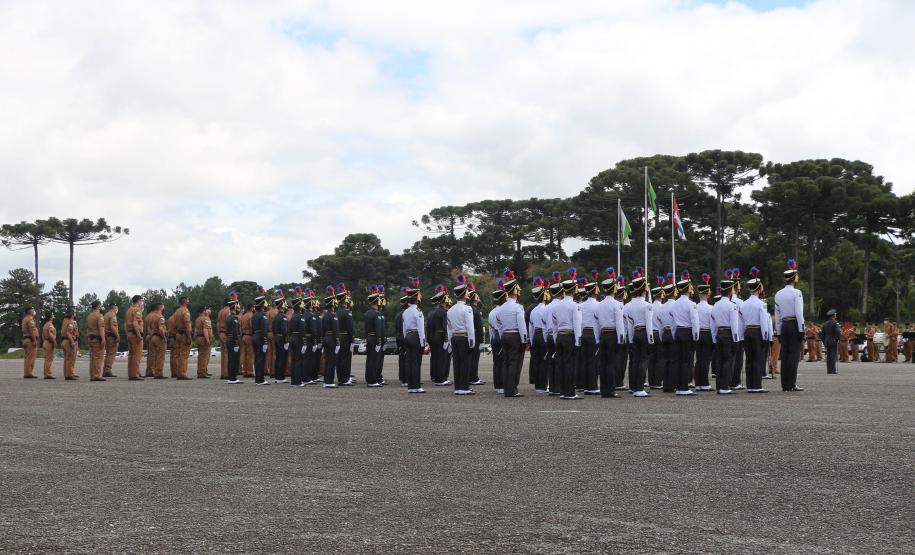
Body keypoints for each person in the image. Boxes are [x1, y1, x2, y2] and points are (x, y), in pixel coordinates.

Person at [551, 268, 583, 400]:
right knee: (570, 365)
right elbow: (577, 325)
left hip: (559, 336)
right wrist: (577, 342)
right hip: (570, 336)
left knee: (561, 365)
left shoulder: (556, 306)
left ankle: (563, 391)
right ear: (574, 290)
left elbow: (554, 325)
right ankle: (570, 392)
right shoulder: (575, 306)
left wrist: (555, 339)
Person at [774, 259, 805, 392]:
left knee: (785, 355)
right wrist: (801, 330)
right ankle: (792, 384)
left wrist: (779, 331)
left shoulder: (778, 294)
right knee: (794, 356)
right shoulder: (797, 293)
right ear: (794, 278)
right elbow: (799, 313)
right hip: (794, 324)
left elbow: (778, 315)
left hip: (784, 326)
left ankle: (784, 385)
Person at [622, 269, 653, 397]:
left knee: (634, 361)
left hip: (634, 333)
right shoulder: (647, 305)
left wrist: (629, 339)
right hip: (645, 333)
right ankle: (640, 388)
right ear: (644, 289)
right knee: (643, 361)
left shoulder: (627, 306)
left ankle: (634, 387)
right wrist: (651, 340)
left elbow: (629, 325)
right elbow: (649, 325)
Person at [741, 267, 771, 393]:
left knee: (749, 359)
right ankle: (757, 385)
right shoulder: (761, 304)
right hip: (758, 332)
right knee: (758, 359)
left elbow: (741, 322)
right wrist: (766, 337)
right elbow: (764, 322)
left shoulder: (743, 304)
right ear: (759, 289)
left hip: (747, 331)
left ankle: (750, 385)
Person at [596, 267, 625, 398]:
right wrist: (621, 340)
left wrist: (597, 339)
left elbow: (596, 324)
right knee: (611, 363)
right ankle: (611, 389)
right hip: (613, 334)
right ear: (614, 288)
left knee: (603, 363)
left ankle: (603, 390)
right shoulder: (617, 305)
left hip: (603, 335)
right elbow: (619, 324)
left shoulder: (599, 305)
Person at [498, 270, 527, 398]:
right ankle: (512, 389)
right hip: (515, 336)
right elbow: (522, 325)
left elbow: (498, 323)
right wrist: (524, 340)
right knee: (515, 363)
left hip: (504, 335)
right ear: (515, 291)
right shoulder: (518, 307)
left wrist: (502, 334)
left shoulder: (502, 307)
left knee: (506, 362)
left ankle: (506, 389)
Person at [670, 270, 699, 396]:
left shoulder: (674, 304)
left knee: (678, 360)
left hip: (677, 332)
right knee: (686, 361)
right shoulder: (692, 304)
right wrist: (695, 337)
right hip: (687, 333)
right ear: (688, 289)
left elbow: (672, 323)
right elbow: (695, 322)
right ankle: (684, 387)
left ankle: (678, 386)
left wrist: (673, 334)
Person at [446, 274, 476, 395]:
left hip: (454, 337)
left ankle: (458, 387)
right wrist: (472, 341)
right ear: (464, 294)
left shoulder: (450, 309)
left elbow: (448, 328)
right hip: (464, 337)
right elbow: (470, 326)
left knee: (457, 363)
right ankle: (464, 387)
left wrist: (449, 341)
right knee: (465, 363)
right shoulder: (467, 309)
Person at [711, 277, 739, 394]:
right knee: (728, 360)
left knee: (719, 360)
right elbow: (734, 324)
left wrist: (714, 338)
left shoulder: (715, 305)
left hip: (719, 334)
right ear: (730, 291)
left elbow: (713, 324)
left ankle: (719, 386)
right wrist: (736, 340)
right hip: (728, 334)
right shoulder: (732, 305)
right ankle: (725, 386)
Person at [401, 277, 426, 393]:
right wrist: (423, 342)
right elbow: (421, 328)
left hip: (408, 336)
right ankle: (416, 386)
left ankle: (410, 386)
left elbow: (404, 328)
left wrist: (406, 338)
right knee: (416, 362)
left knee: (409, 362)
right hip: (416, 336)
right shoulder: (418, 311)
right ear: (417, 299)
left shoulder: (405, 312)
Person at [578, 272, 601, 395]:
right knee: (592, 361)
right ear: (595, 291)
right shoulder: (598, 305)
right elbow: (599, 323)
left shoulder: (581, 306)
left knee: (585, 360)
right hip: (593, 334)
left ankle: (584, 385)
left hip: (583, 333)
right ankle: (592, 386)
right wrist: (598, 338)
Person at [527, 276, 550, 393]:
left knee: (537, 360)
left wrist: (531, 341)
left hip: (535, 335)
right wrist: (547, 340)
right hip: (542, 335)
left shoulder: (533, 310)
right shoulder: (546, 309)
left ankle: (538, 386)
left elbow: (530, 327)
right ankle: (544, 385)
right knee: (544, 361)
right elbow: (547, 326)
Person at [693, 274, 714, 391]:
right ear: (707, 294)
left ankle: (698, 383)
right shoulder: (710, 308)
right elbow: (712, 324)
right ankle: (705, 383)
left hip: (697, 334)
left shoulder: (695, 306)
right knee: (705, 360)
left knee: (699, 359)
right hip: (707, 334)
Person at [426, 285, 451, 386]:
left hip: (433, 337)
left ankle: (436, 376)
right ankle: (441, 379)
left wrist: (429, 338)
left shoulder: (432, 313)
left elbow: (428, 326)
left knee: (435, 357)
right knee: (442, 358)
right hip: (441, 336)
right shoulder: (445, 312)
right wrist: (446, 339)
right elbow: (446, 327)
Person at [648, 278, 667, 390]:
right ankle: (658, 381)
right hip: (659, 334)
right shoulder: (662, 307)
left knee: (652, 359)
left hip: (651, 333)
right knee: (660, 359)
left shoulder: (650, 306)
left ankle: (651, 381)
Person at [364, 286, 386, 387]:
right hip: (375, 339)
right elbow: (378, 329)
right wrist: (379, 342)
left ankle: (370, 378)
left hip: (369, 337)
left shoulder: (368, 313)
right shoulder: (376, 314)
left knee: (370, 360)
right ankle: (372, 381)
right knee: (374, 360)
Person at [321, 287, 342, 388]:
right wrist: (338, 342)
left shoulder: (325, 316)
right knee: (331, 361)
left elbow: (322, 329)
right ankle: (329, 382)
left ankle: (326, 381)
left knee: (327, 361)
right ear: (332, 304)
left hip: (325, 338)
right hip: (332, 339)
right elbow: (336, 330)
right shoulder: (334, 315)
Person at [489, 286, 507, 394]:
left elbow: (491, 330)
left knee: (496, 362)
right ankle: (502, 385)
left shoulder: (492, 312)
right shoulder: (503, 310)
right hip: (501, 336)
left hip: (494, 337)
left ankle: (497, 385)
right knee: (503, 361)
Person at [217, 293, 237, 380]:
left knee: (223, 354)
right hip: (226, 333)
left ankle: (223, 373)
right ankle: (226, 373)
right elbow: (230, 323)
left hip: (221, 333)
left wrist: (219, 333)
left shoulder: (220, 311)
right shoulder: (228, 311)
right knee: (227, 354)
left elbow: (217, 323)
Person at [251, 294, 270, 385]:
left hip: (254, 336)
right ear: (262, 305)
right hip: (260, 338)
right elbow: (264, 329)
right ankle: (260, 379)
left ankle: (257, 379)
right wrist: (265, 341)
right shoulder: (263, 315)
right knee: (260, 359)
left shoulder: (254, 315)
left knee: (257, 358)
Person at [145, 302, 167, 379]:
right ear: (160, 307)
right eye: (163, 306)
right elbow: (161, 329)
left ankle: (150, 371)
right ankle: (158, 373)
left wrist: (150, 336)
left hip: (150, 336)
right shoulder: (159, 316)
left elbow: (148, 328)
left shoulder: (149, 316)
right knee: (160, 356)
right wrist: (164, 338)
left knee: (151, 355)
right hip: (158, 337)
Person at [125, 295, 145, 380]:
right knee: (137, 355)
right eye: (142, 301)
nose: (142, 303)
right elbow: (135, 323)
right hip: (135, 334)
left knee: (131, 356)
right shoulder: (137, 310)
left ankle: (131, 374)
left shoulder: (129, 310)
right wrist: (139, 334)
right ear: (139, 301)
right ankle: (134, 375)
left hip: (129, 334)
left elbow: (126, 324)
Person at [85, 300, 106, 381]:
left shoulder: (89, 316)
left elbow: (87, 328)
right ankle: (97, 375)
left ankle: (92, 375)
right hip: (97, 339)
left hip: (90, 338)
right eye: (100, 305)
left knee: (92, 358)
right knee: (98, 358)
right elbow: (101, 328)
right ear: (98, 306)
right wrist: (103, 339)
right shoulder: (99, 316)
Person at [271, 293, 290, 383]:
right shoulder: (283, 317)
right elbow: (284, 330)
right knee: (282, 358)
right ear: (282, 306)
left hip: (277, 338)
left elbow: (273, 329)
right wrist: (286, 341)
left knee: (278, 358)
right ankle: (280, 377)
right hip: (282, 339)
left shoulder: (276, 317)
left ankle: (277, 377)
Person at [226, 301, 242, 384]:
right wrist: (236, 342)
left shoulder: (228, 317)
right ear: (235, 308)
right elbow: (235, 332)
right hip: (233, 340)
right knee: (234, 360)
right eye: (237, 307)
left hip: (229, 339)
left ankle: (231, 377)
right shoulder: (234, 318)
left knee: (231, 359)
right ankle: (233, 378)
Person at [60, 307, 79, 380]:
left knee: (67, 359)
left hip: (65, 341)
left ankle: (67, 374)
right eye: (74, 313)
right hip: (69, 341)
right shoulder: (70, 322)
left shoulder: (65, 321)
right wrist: (72, 341)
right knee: (70, 359)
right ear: (72, 315)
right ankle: (69, 375)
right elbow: (68, 333)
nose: (75, 315)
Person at [21, 306, 39, 378]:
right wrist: (34, 340)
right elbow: (31, 331)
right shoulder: (30, 319)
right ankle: (28, 373)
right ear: (30, 311)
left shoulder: (25, 319)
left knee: (27, 357)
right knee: (31, 358)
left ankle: (27, 372)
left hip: (26, 339)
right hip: (30, 340)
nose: (34, 311)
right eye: (33, 310)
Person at [102, 303, 119, 378]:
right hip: (111, 337)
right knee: (111, 354)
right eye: (116, 308)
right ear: (114, 308)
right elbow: (113, 327)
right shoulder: (112, 315)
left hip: (106, 336)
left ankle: (105, 370)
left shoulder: (105, 315)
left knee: (108, 354)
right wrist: (117, 336)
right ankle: (108, 370)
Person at [395, 293, 408, 386]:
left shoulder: (398, 314)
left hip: (399, 336)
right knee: (407, 358)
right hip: (405, 336)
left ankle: (402, 376)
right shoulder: (406, 314)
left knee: (402, 357)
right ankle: (406, 378)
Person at [822, 309, 840, 374]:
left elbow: (822, 334)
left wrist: (824, 341)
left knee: (828, 356)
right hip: (833, 340)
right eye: (835, 315)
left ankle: (829, 370)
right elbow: (838, 332)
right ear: (833, 316)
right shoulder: (835, 323)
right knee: (833, 355)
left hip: (827, 341)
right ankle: (833, 370)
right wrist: (837, 339)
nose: (836, 315)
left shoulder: (825, 323)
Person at [239, 303, 254, 378]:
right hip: (249, 336)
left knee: (244, 354)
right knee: (250, 355)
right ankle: (249, 371)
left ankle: (245, 371)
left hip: (243, 336)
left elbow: (240, 327)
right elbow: (252, 327)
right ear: (251, 308)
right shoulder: (251, 315)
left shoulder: (243, 316)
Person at [40, 310, 57, 379]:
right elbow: (50, 334)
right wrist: (54, 341)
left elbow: (42, 335)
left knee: (47, 359)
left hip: (46, 342)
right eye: (52, 315)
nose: (54, 316)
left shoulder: (45, 324)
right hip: (49, 342)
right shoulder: (50, 325)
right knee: (49, 359)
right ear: (50, 318)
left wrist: (44, 341)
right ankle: (47, 374)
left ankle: (46, 373)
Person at [767, 306, 780, 379]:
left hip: (769, 337)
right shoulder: (776, 319)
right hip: (776, 337)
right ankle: (774, 369)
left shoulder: (769, 318)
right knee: (775, 355)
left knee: (770, 354)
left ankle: (770, 368)